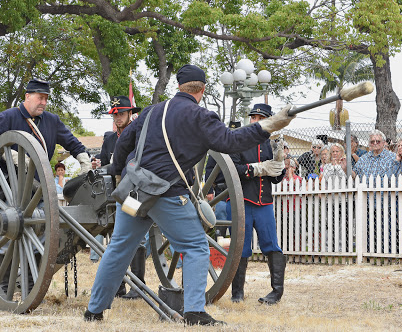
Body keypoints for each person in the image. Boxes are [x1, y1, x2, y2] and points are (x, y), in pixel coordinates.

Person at [83, 65, 295, 325]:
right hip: (167, 194)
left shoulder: (151, 111)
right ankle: (194, 311)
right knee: (195, 247)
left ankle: (94, 311)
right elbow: (230, 142)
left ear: (179, 87)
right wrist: (268, 126)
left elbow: (125, 142)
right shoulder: (201, 117)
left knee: (117, 249)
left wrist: (118, 173)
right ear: (202, 90)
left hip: (134, 191)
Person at [0, 78, 91, 292]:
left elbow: (73, 143)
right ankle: (5, 286)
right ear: (27, 97)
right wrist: (17, 157)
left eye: (46, 99)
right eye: (40, 98)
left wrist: (84, 161)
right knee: (8, 231)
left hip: (36, 186)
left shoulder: (51, 121)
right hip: (9, 185)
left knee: (41, 231)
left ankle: (31, 282)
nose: (43, 102)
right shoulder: (7, 118)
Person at [226, 103, 286, 305]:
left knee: (271, 246)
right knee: (240, 248)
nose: (256, 122)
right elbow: (233, 169)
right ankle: (237, 293)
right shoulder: (238, 141)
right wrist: (258, 169)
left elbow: (275, 179)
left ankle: (276, 293)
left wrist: (279, 166)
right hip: (242, 201)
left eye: (261, 119)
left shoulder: (272, 143)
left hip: (264, 203)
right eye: (254, 118)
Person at [91, 96, 146, 299]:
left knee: (134, 239)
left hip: (132, 194)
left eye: (121, 114)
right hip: (113, 195)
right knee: (113, 238)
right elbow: (107, 164)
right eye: (115, 115)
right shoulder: (110, 139)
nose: (117, 118)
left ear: (130, 114)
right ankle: (119, 287)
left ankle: (138, 287)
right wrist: (98, 165)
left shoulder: (139, 135)